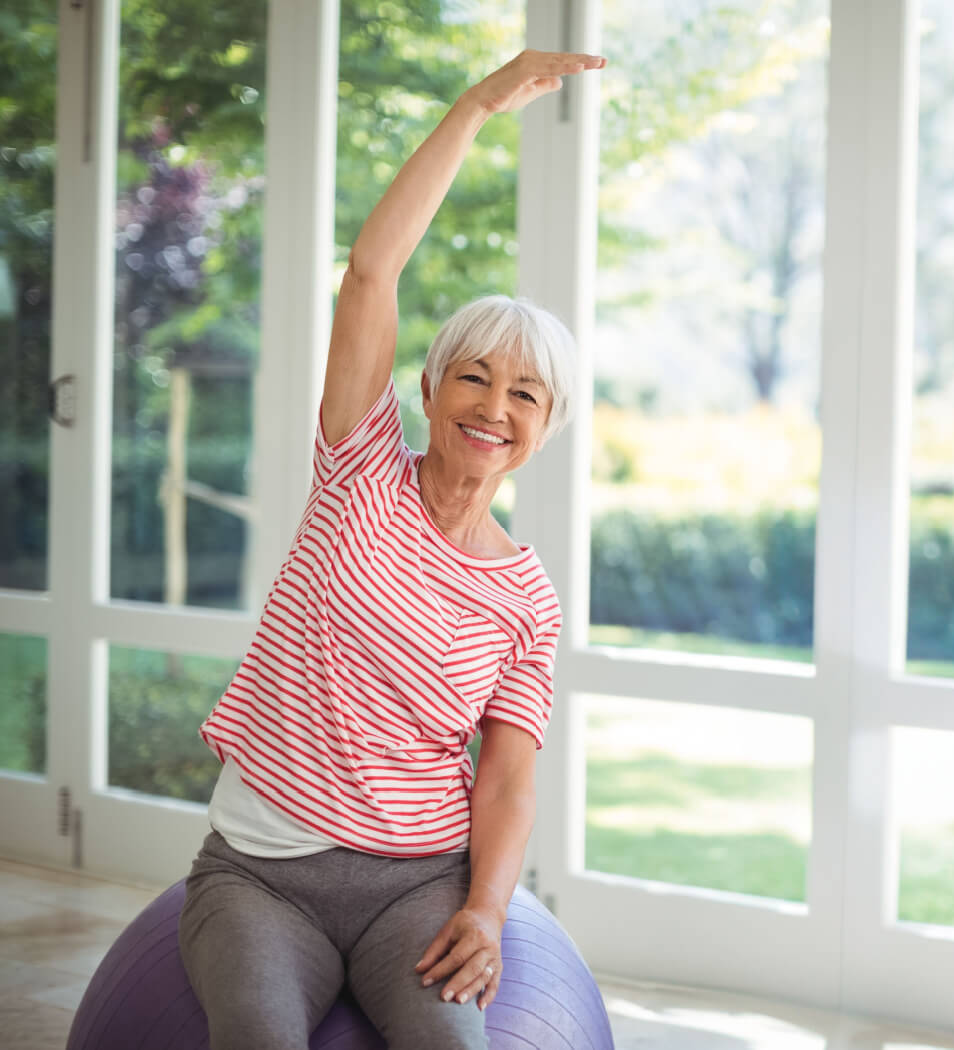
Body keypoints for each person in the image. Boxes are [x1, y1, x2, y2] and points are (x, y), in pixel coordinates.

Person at [176, 48, 606, 1050]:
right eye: (473, 376)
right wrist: (479, 104)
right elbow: (372, 270)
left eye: (526, 394)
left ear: (547, 428)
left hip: (416, 885)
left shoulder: (526, 598)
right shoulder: (358, 469)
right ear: (428, 388)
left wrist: (487, 910)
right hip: (259, 875)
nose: (493, 407)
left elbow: (504, 778)